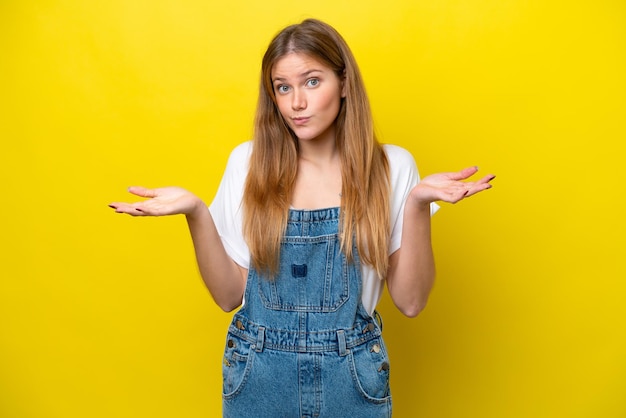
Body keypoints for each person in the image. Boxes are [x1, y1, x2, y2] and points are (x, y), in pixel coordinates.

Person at [109, 18, 494, 418]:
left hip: (353, 379)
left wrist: (416, 205)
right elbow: (228, 296)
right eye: (283, 87)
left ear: (344, 83)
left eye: (312, 81)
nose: (296, 103)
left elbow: (411, 302)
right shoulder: (249, 163)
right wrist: (196, 212)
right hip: (258, 378)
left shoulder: (391, 168)